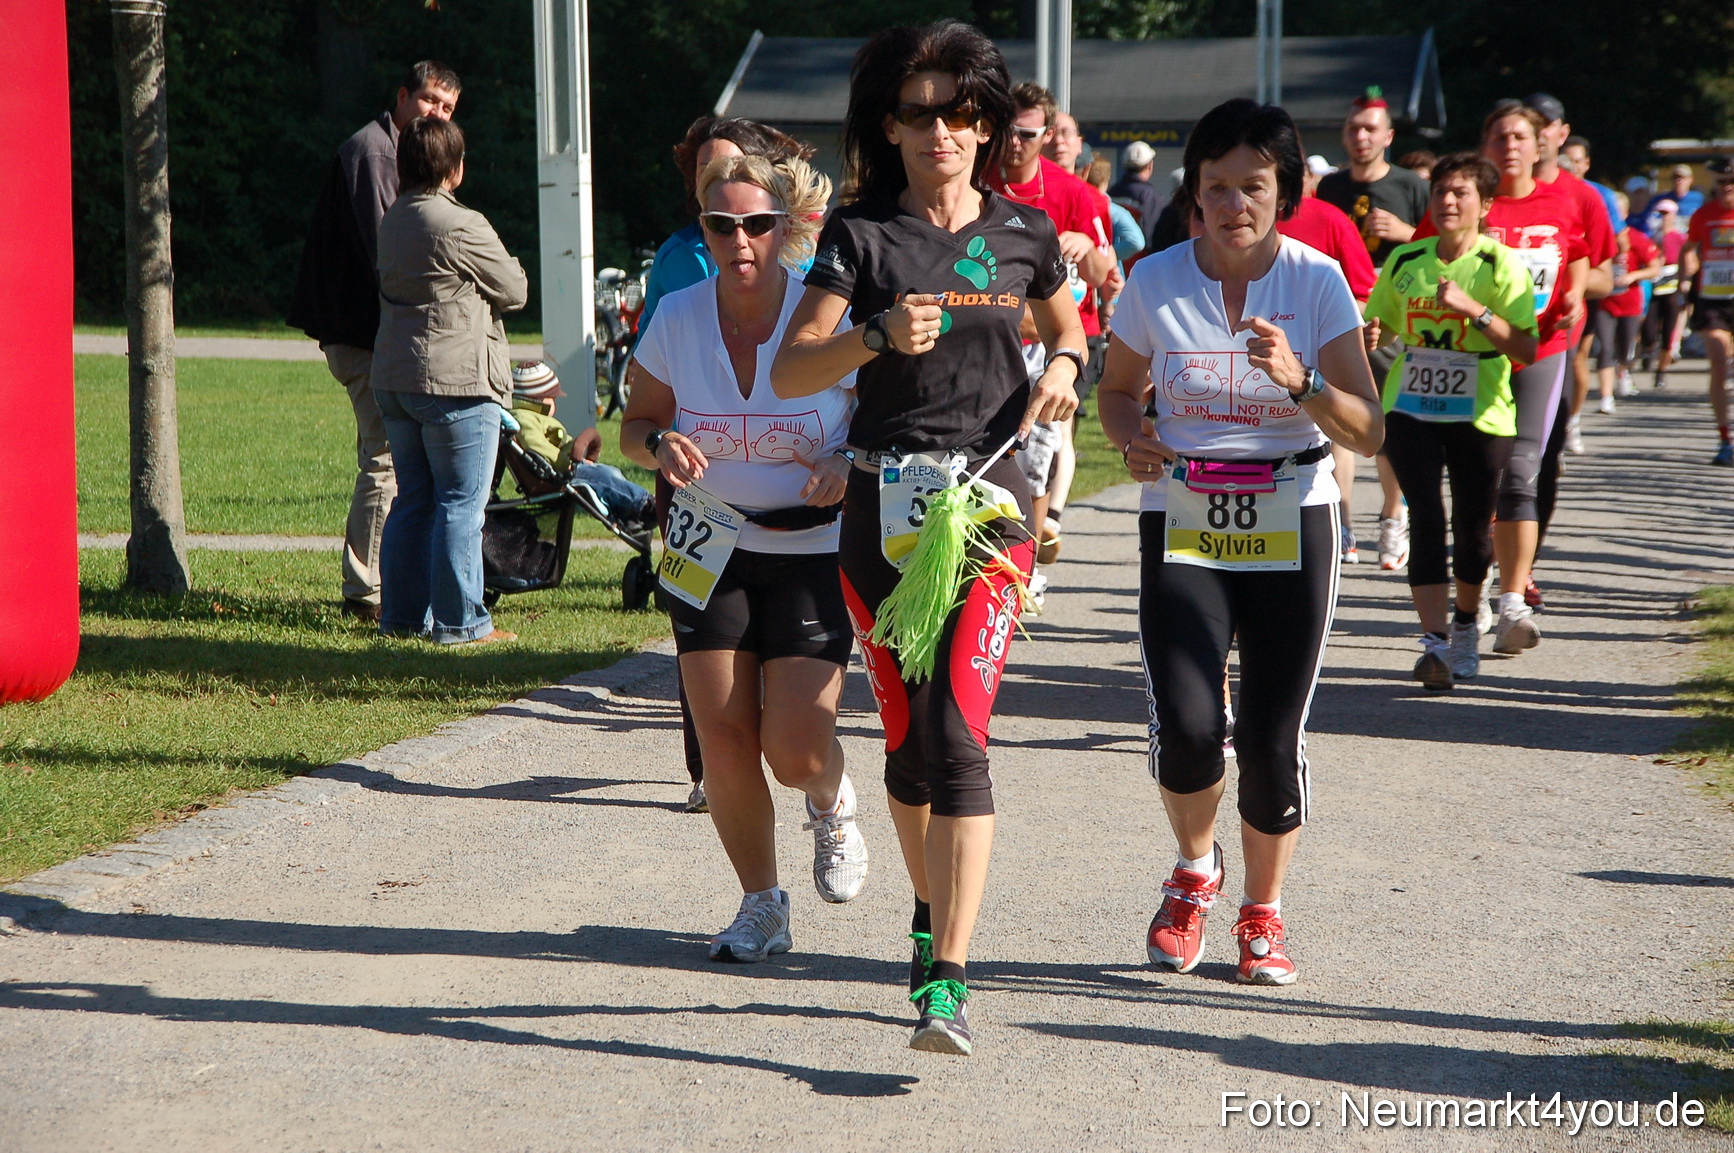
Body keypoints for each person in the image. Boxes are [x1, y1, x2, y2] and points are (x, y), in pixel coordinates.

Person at [771, 19, 1084, 1056]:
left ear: (987, 124)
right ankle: (925, 905)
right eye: (920, 113)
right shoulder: (860, 236)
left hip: (990, 507)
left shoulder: (1025, 230)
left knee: (957, 736)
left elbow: (1068, 327)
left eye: (962, 112)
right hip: (883, 517)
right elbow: (793, 368)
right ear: (891, 127)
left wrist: (1063, 367)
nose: (942, 130)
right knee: (908, 746)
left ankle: (947, 977)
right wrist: (871, 335)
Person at [1097, 98, 1383, 988]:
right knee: (1188, 726)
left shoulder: (1316, 281)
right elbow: (1117, 390)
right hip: (1184, 509)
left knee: (1268, 735)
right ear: (1193, 192)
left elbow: (1368, 427)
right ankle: (1194, 870)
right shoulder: (1155, 280)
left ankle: (1263, 908)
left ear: (1284, 192)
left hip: (1294, 508)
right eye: (1216, 186)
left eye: (1253, 186)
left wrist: (1300, 381)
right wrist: (1132, 436)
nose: (1233, 205)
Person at [621, 150, 870, 963]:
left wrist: (848, 460)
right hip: (709, 541)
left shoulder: (823, 310)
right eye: (722, 225)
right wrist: (660, 444)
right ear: (704, 229)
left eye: (757, 224)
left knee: (794, 747)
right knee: (723, 733)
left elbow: (881, 417)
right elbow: (635, 424)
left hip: (811, 544)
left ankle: (830, 798)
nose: (740, 241)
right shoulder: (678, 314)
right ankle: (762, 903)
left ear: (785, 226)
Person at [288, 61, 461, 623]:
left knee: (388, 456)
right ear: (403, 96)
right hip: (364, 334)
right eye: (430, 100)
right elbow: (387, 255)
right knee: (385, 458)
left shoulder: (395, 154)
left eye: (448, 108)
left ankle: (384, 583)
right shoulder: (376, 154)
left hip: (374, 333)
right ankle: (366, 591)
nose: (437, 114)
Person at [1363, 153, 1538, 690]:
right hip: (1412, 403)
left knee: (1472, 523)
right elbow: (1385, 324)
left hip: (1481, 408)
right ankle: (1433, 642)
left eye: (1461, 193)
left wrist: (1474, 310)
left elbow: (1526, 348)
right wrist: (1374, 335)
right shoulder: (1407, 259)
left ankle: (1465, 622)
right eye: (1440, 191)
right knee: (1425, 516)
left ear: (1484, 205)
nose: (1447, 201)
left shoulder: (1501, 264)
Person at [372, 117, 528, 645]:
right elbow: (514, 289)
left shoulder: (393, 219)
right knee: (461, 505)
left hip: (396, 378)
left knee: (412, 501)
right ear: (455, 169)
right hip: (454, 382)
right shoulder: (460, 224)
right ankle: (462, 622)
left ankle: (401, 618)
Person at [994, 83, 1114, 573]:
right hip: (989, 338)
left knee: (1035, 457)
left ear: (1046, 136)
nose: (1014, 143)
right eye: (1008, 131)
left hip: (1051, 344)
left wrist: (1085, 243)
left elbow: (1104, 273)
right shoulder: (976, 181)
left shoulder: (1075, 194)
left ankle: (1026, 571)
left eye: (1027, 134)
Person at [1317, 88, 1430, 571]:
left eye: (1369, 128)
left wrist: (1405, 233)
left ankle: (1392, 514)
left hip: (1391, 315)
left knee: (1389, 420)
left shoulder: (1410, 185)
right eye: (1352, 128)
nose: (1360, 136)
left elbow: (1444, 247)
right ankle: (1342, 522)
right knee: (1338, 417)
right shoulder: (1329, 187)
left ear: (1388, 136)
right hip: (1337, 311)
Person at [639, 117, 815, 338]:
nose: (720, 178)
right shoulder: (672, 257)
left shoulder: (802, 257)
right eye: (705, 170)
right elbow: (648, 346)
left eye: (732, 165)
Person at [506, 360, 655, 533]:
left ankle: (627, 514)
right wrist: (566, 463)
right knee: (604, 477)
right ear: (541, 400)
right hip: (557, 474)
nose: (555, 403)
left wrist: (578, 453)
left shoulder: (534, 417)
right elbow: (536, 446)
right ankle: (645, 504)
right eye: (553, 398)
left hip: (562, 469)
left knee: (611, 473)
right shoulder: (524, 419)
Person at [1681, 157, 1734, 464]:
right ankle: (1725, 439)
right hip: (1713, 299)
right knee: (1719, 363)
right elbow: (1689, 248)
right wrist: (1685, 279)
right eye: (1722, 182)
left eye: (1732, 182)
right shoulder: (1703, 215)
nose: (1727, 187)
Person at [1593, 195, 1661, 414]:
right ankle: (1606, 397)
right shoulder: (1597, 236)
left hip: (1629, 302)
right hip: (1604, 302)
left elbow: (1655, 268)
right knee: (1605, 348)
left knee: (1624, 349)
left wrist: (1632, 276)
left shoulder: (1636, 238)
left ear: (1624, 213)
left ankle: (1623, 370)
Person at [1643, 197, 1690, 387]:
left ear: (1673, 215)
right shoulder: (1651, 237)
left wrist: (1685, 280)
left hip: (1672, 289)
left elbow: (1690, 261)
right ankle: (1648, 350)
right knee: (1648, 331)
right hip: (1653, 288)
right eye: (1660, 213)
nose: (1663, 217)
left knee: (1669, 333)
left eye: (1666, 213)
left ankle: (1661, 372)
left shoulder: (1680, 237)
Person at [1109, 139, 1167, 252]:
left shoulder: (1113, 191)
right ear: (1149, 165)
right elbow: (1152, 234)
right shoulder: (1150, 195)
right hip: (1140, 257)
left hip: (1115, 255)